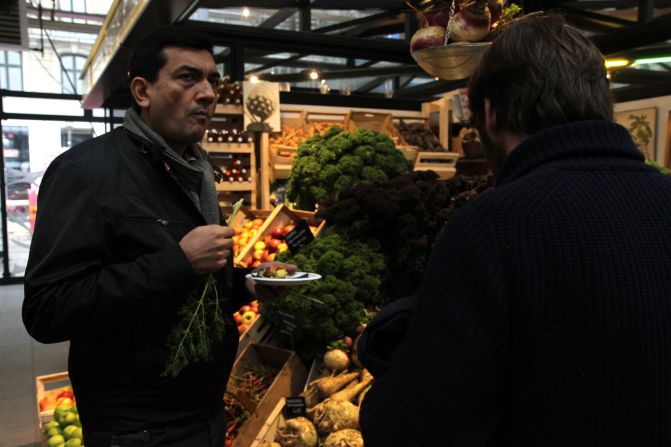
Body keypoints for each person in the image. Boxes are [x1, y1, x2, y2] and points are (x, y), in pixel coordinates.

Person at [359, 14, 671, 446]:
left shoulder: (492, 226)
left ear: (488, 113)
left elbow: (408, 431)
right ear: (603, 101)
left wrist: (399, 347)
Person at [23, 25, 294, 447]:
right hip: (137, 431)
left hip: (202, 415)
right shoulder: (85, 173)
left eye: (213, 80)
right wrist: (178, 262)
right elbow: (47, 310)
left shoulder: (192, 172)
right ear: (142, 91)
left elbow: (192, 289)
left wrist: (247, 283)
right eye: (188, 77)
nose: (207, 93)